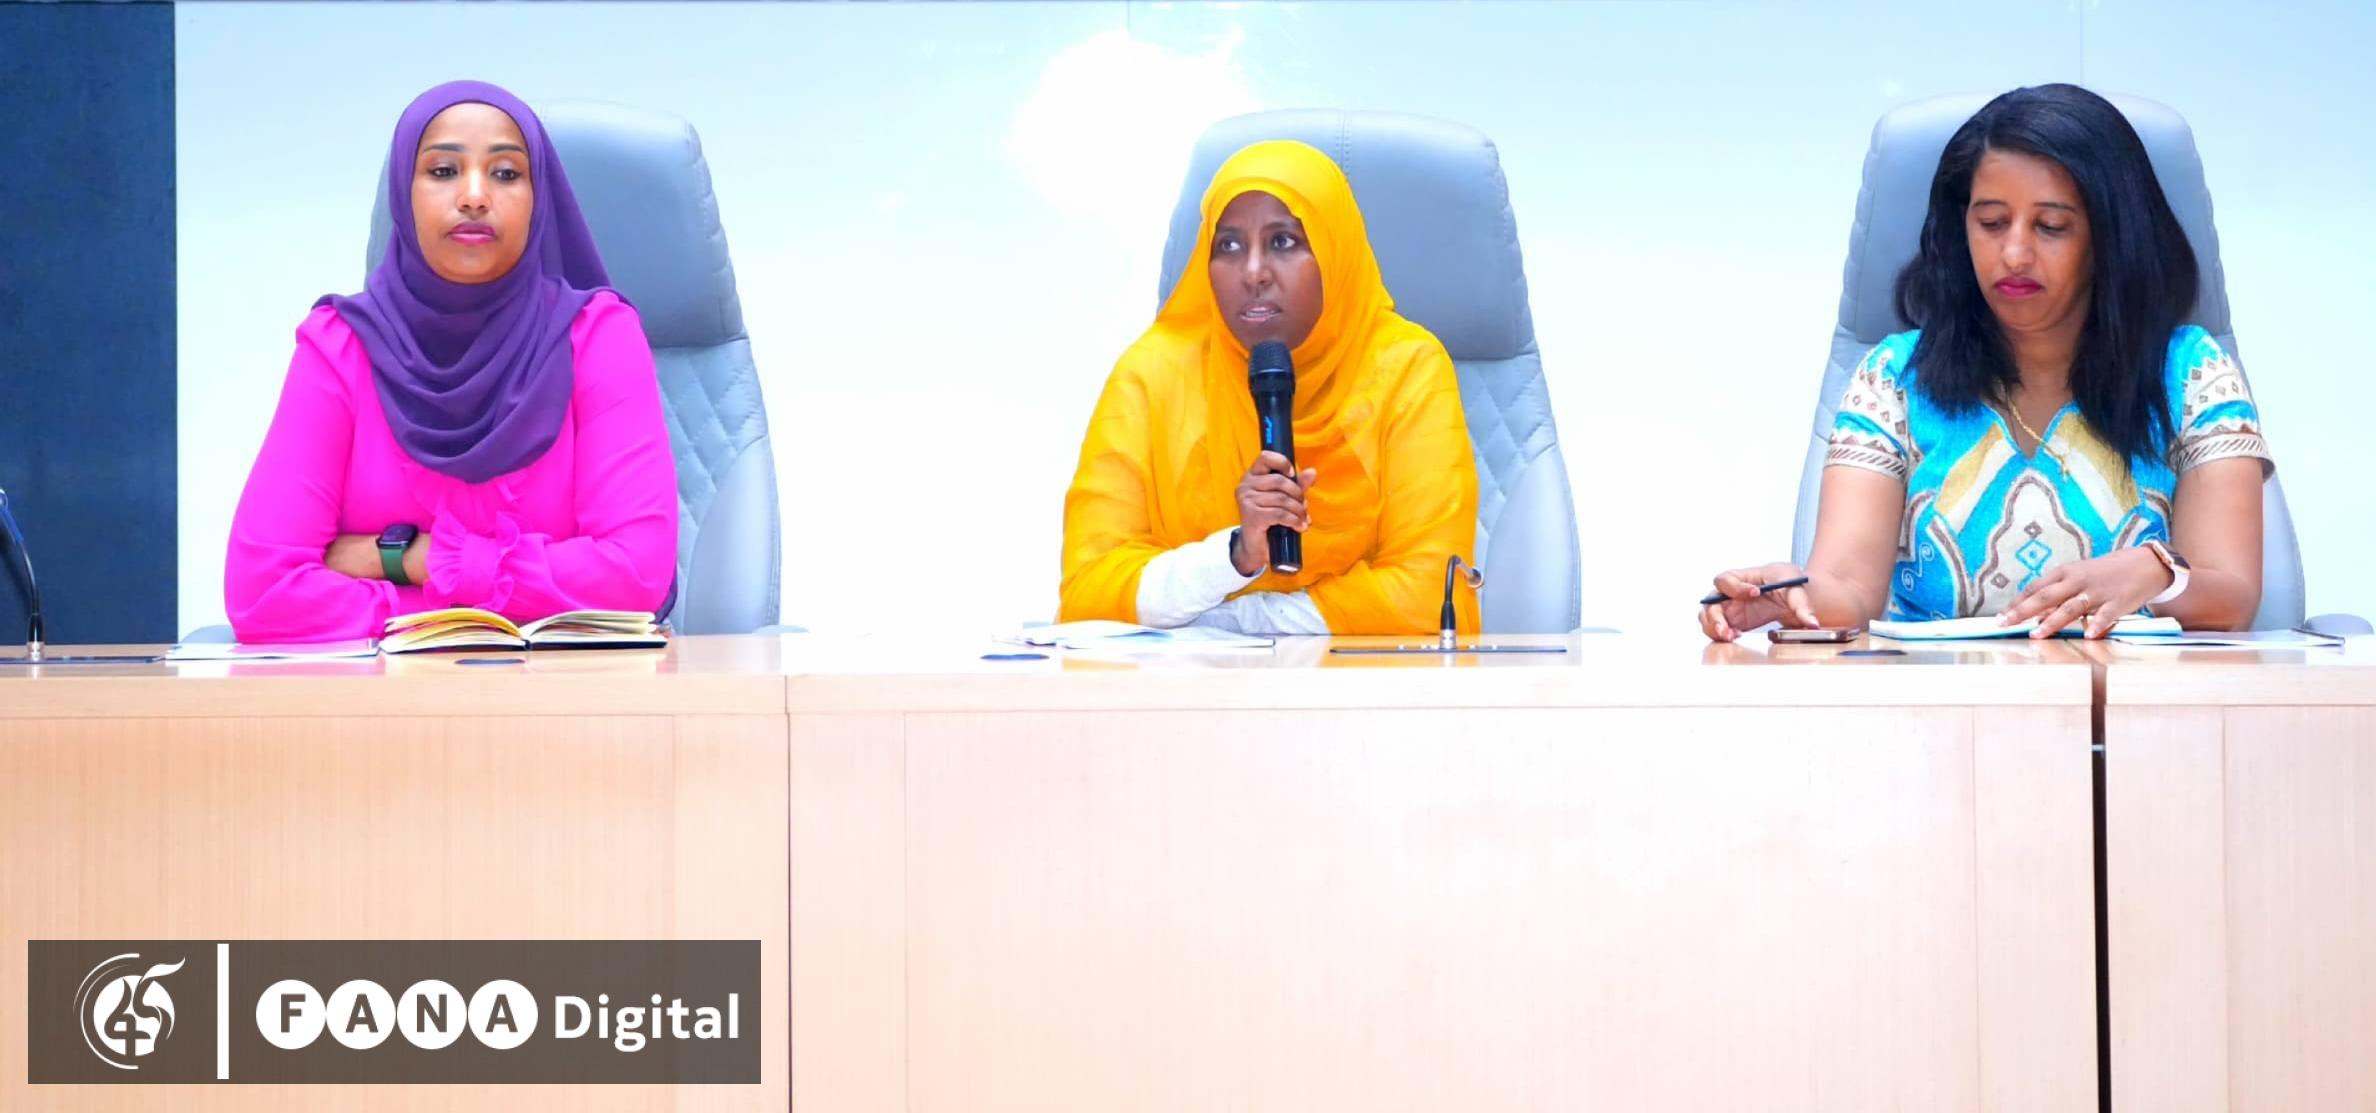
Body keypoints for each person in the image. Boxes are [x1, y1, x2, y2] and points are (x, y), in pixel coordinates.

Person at [1703, 84, 2271, 642]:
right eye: (1992, 223)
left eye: (2051, 226)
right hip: (1941, 697)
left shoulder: (2192, 374)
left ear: (2110, 237)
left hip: (2134, 697)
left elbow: (2233, 597)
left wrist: (2157, 573)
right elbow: (1848, 588)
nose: (2015, 253)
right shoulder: (1893, 378)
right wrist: (1788, 596)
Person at [225, 80, 676, 642]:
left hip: (565, 689)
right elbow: (264, 594)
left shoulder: (597, 337)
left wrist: (410, 559)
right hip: (385, 695)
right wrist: (514, 594)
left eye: (506, 173)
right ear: (404, 194)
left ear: (540, 201)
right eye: (443, 171)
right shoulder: (340, 346)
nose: (474, 196)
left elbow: (634, 576)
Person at [1060, 140, 1479, 635]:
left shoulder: (1406, 368)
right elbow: (1089, 592)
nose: (1254, 272)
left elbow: (1429, 593)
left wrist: (1238, 621)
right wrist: (1235, 555)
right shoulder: (1153, 375)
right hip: (1189, 683)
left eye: (1283, 242)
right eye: (1229, 246)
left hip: (1364, 682)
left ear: (1334, 252)